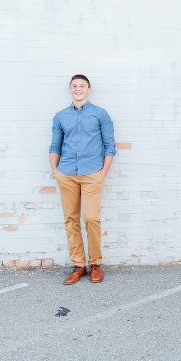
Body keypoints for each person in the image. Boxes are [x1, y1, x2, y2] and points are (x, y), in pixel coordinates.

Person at [49, 74, 116, 285]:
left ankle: (95, 263)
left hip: (92, 174)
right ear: (70, 89)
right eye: (74, 86)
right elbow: (55, 146)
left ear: (88, 89)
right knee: (71, 219)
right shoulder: (61, 116)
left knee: (91, 218)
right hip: (67, 174)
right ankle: (79, 265)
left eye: (82, 85)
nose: (78, 89)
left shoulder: (100, 114)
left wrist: (103, 173)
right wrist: (56, 172)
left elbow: (110, 146)